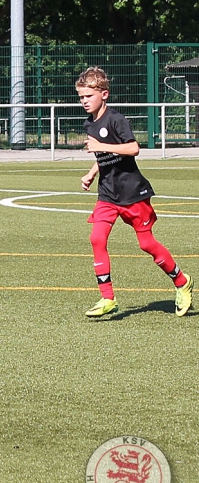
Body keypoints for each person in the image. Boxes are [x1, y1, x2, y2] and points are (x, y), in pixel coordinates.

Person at [76, 67, 193, 318]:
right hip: (108, 194)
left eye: (89, 96)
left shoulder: (116, 119)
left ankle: (182, 282)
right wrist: (92, 173)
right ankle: (107, 298)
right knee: (97, 238)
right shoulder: (89, 124)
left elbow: (133, 148)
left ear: (104, 94)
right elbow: (104, 155)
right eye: (81, 96)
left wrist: (100, 145)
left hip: (132, 192)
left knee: (146, 244)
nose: (84, 101)